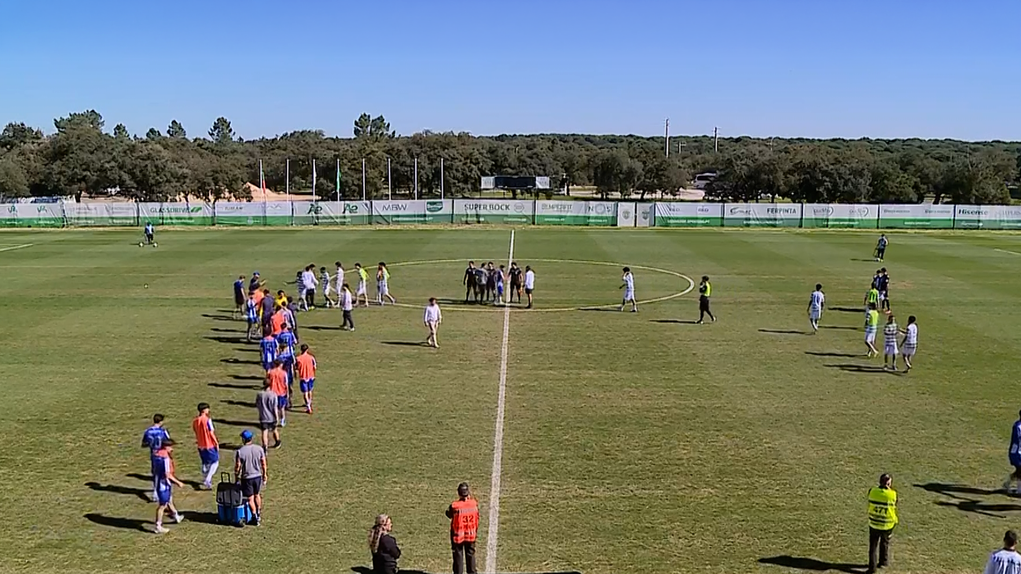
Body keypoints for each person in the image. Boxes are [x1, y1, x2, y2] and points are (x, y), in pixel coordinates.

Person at [866, 473, 898, 574]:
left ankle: (872, 568)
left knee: (873, 546)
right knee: (885, 542)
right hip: (887, 523)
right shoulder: (892, 494)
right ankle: (883, 561)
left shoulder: (872, 491)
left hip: (874, 522)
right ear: (888, 483)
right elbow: (895, 503)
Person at [234, 430, 267, 526]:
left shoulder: (240, 451)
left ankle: (254, 516)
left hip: (247, 478)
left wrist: (236, 476)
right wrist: (264, 474)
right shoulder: (259, 449)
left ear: (244, 439)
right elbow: (263, 463)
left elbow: (238, 467)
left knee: (250, 498)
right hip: (257, 476)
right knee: (257, 495)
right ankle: (259, 513)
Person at [446, 482, 479, 574]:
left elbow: (449, 514)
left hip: (458, 535)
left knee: (458, 557)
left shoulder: (455, 505)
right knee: (471, 555)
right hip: (471, 534)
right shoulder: (474, 504)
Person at [153, 439, 185, 534]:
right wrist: (178, 482)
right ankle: (158, 525)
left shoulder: (156, 454)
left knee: (169, 500)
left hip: (158, 480)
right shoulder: (165, 458)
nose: (172, 449)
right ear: (166, 447)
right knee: (162, 505)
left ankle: (176, 516)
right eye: (171, 447)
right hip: (163, 483)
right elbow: (168, 474)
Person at [141, 414, 171, 502]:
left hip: (153, 454)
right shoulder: (163, 431)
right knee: (163, 474)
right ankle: (157, 493)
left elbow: (143, 444)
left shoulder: (148, 431)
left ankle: (156, 491)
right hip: (162, 454)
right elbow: (168, 442)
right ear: (161, 421)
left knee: (155, 474)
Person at [191, 402, 219, 490]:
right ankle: (208, 479)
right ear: (204, 410)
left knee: (205, 462)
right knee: (215, 462)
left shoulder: (195, 421)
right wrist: (216, 442)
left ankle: (205, 478)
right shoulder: (207, 420)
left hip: (200, 445)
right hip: (209, 444)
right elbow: (211, 432)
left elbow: (195, 431)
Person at [276, 325, 297, 406]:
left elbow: (277, 345)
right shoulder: (290, 334)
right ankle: (289, 398)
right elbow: (295, 342)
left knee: (283, 381)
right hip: (289, 356)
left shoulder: (279, 335)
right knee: (290, 380)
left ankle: (285, 398)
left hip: (282, 358)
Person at [256, 379, 281, 449]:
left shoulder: (259, 394)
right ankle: (277, 441)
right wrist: (277, 417)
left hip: (263, 416)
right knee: (274, 429)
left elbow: (257, 405)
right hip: (271, 417)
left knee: (264, 432)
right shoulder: (273, 394)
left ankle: (265, 446)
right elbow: (275, 407)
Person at [267, 360, 289, 428]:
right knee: (282, 408)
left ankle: (276, 420)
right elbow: (286, 384)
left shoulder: (270, 372)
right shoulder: (284, 373)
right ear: (280, 364)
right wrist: (287, 393)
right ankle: (282, 420)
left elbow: (267, 382)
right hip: (281, 392)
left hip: (273, 392)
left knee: (275, 407)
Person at [296, 344, 317, 414]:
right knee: (310, 391)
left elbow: (296, 367)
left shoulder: (298, 358)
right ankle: (309, 403)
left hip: (303, 377)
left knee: (305, 393)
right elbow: (315, 366)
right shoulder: (311, 357)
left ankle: (308, 407)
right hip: (311, 376)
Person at [1004, 412, 1021, 495]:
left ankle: (1007, 483)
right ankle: (1019, 489)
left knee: (1019, 471)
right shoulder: (1017, 426)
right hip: (1016, 452)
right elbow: (1017, 438)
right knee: (1020, 470)